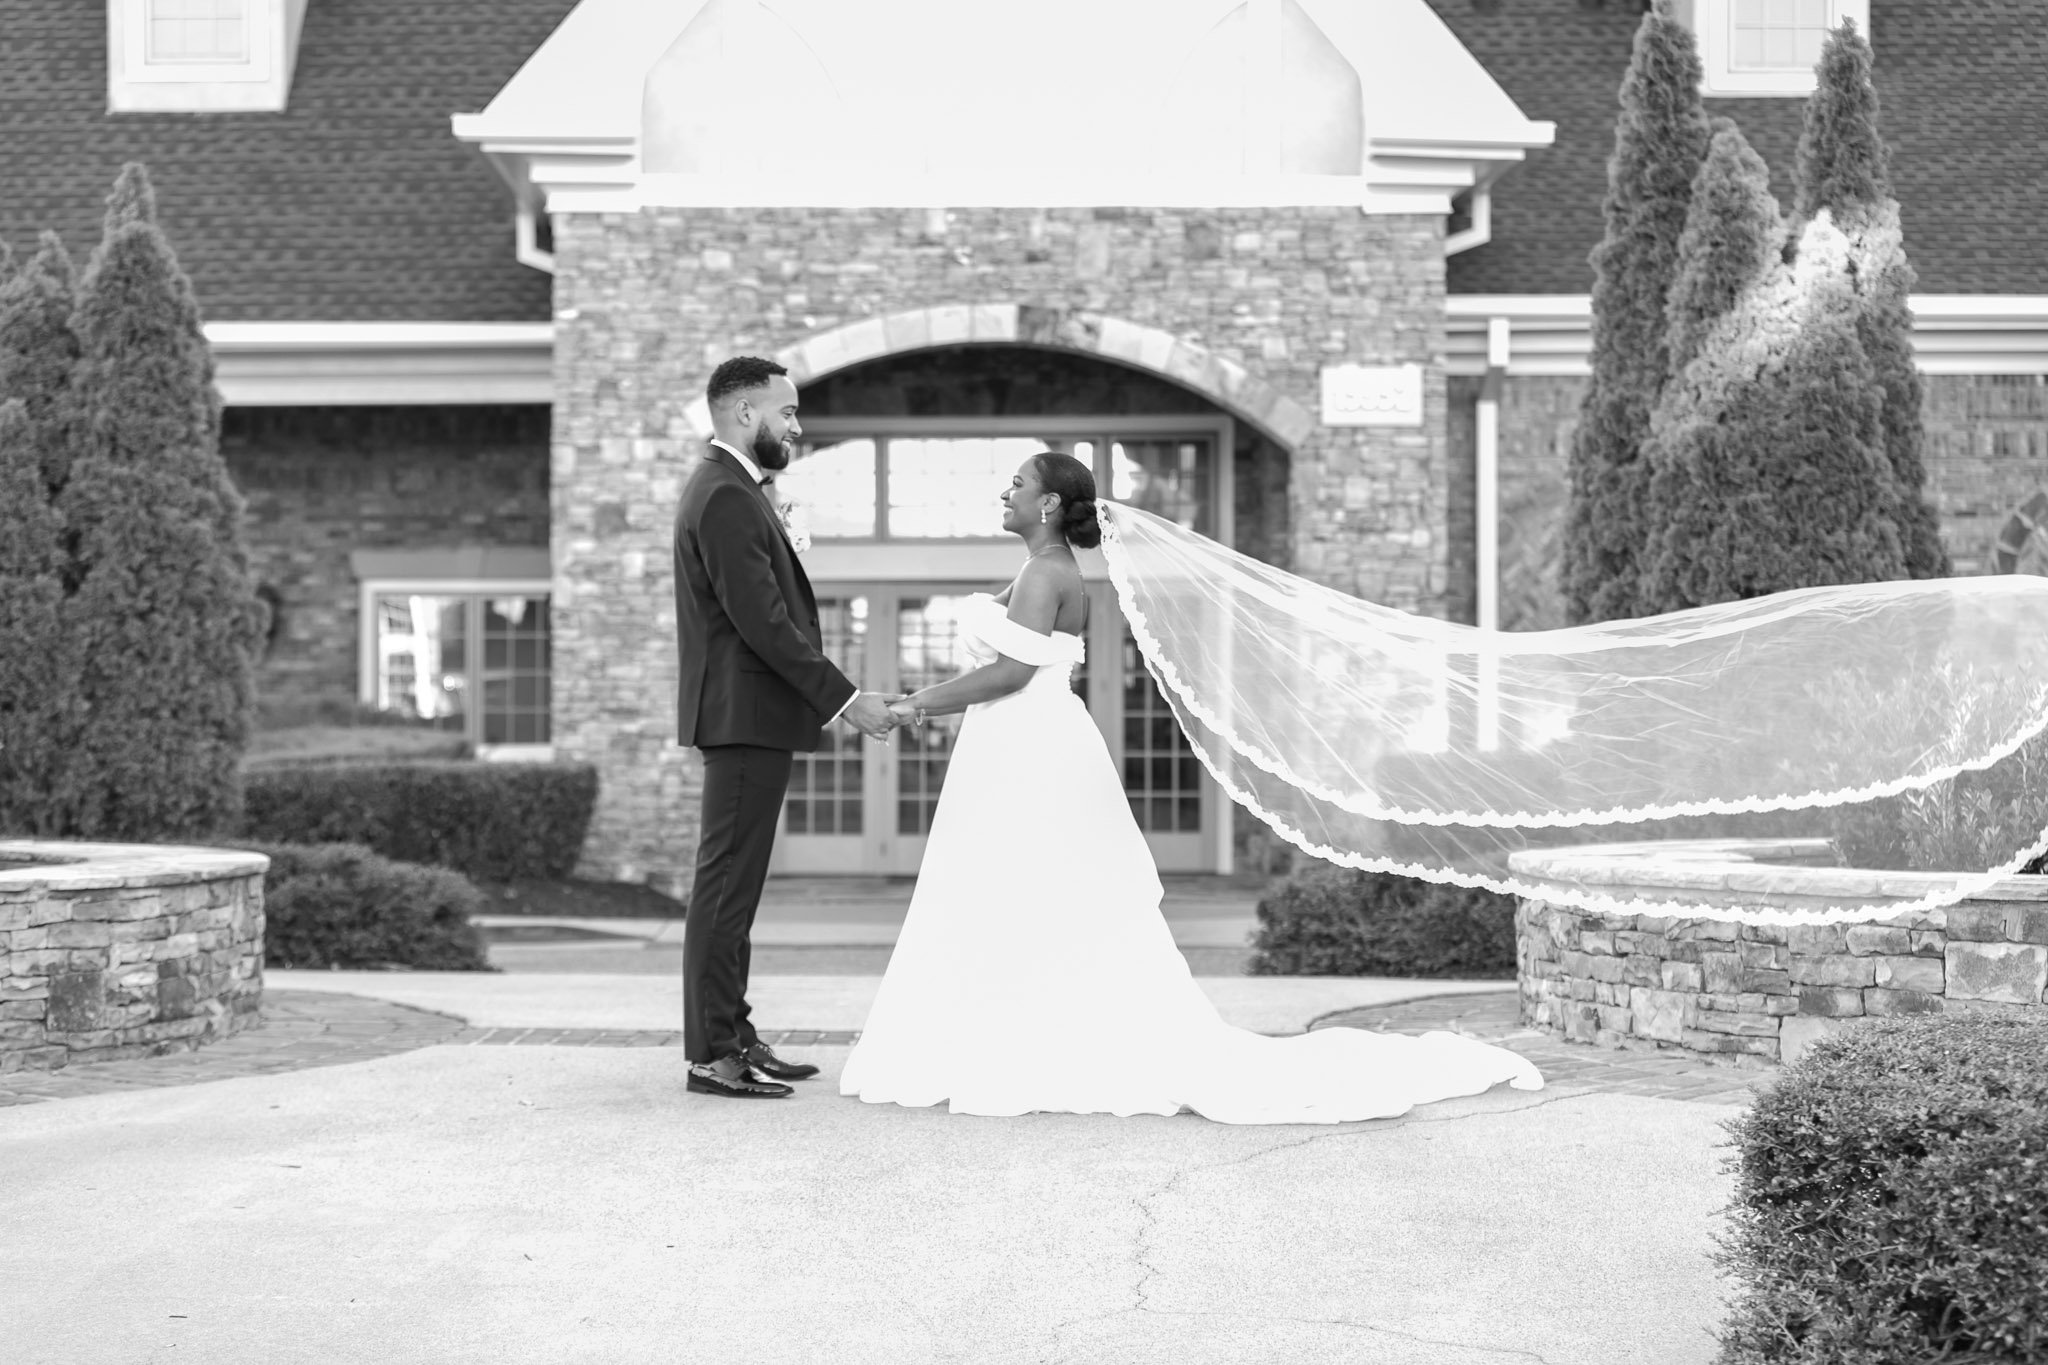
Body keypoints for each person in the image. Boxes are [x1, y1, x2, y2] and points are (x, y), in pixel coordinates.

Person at [837, 452, 1542, 1124]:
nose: (1005, 492)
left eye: (1016, 483)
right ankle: (1018, 1029)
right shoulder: (1039, 570)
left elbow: (1010, 673)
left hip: (1027, 743)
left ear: (1048, 502)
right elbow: (1009, 656)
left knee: (1024, 879)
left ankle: (1024, 1039)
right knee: (1026, 885)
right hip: (1023, 741)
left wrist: (911, 704)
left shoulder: (1046, 572)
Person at [672, 356, 898, 1099]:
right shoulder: (724, 494)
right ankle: (713, 1054)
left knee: (736, 889)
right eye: (788, 411)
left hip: (751, 717)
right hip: (743, 717)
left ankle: (733, 1034)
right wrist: (846, 699)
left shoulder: (736, 489)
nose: (797, 426)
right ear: (746, 413)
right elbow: (763, 623)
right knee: (725, 887)